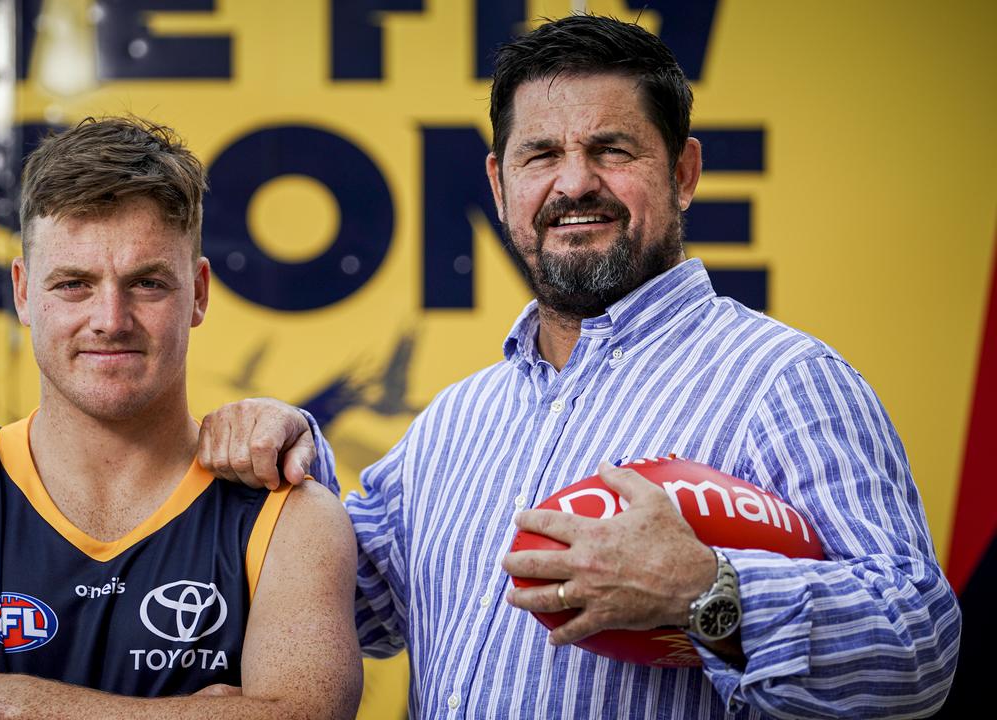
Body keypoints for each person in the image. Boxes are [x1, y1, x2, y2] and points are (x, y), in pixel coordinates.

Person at [199, 14, 960, 718]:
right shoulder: (458, 421)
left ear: (684, 173)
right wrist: (287, 452)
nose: (573, 184)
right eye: (542, 155)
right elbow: (355, 604)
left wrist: (706, 591)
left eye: (611, 149)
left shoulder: (783, 381)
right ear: (500, 188)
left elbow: (920, 651)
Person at [0, 117, 361, 719]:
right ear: (23, 292)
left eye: (147, 283)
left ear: (199, 292)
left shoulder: (291, 516)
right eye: (74, 284)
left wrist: (12, 707)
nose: (110, 318)